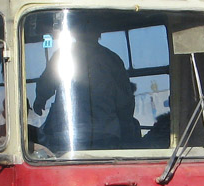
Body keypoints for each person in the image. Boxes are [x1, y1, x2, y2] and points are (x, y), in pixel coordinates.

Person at [32, 23, 136, 151]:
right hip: (104, 133)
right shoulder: (111, 59)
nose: (86, 31)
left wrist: (40, 99)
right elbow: (125, 100)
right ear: (99, 33)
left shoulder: (63, 55)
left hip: (69, 133)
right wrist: (127, 126)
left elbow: (47, 82)